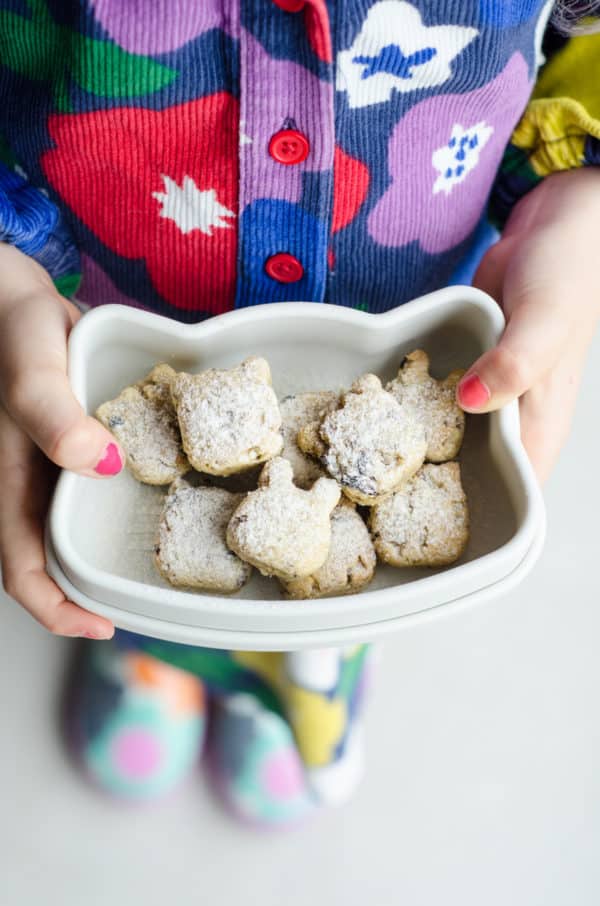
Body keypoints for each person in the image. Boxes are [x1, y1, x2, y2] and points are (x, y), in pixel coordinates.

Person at [1, 0, 600, 827]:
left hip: (415, 295)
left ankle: (302, 672)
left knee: (336, 588)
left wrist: (576, 191)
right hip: (84, 312)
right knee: (129, 563)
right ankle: (158, 654)